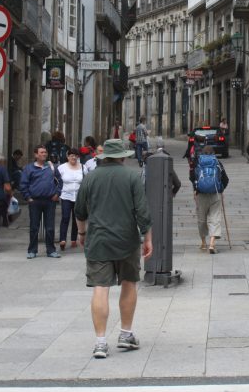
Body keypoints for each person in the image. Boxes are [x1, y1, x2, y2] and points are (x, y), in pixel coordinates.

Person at [74, 139, 153, 359]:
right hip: (126, 240)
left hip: (98, 240)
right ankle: (125, 334)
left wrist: (82, 234)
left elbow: (79, 211)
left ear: (103, 156)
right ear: (123, 157)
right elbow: (142, 212)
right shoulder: (131, 177)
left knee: (100, 287)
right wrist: (148, 238)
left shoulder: (90, 178)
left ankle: (100, 342)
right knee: (129, 283)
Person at [20, 144, 63, 259]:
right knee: (34, 227)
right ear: (36, 154)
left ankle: (51, 250)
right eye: (41, 152)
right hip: (35, 201)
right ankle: (32, 250)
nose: (44, 154)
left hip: (50, 201)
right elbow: (23, 184)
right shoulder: (29, 168)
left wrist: (57, 194)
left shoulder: (51, 167)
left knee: (50, 227)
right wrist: (28, 197)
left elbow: (60, 181)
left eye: (45, 152)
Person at [193, 146, 229, 253]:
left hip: (201, 194)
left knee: (201, 219)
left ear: (203, 153)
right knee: (215, 217)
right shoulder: (217, 163)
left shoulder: (198, 162)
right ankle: (212, 244)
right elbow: (225, 179)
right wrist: (221, 189)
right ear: (213, 153)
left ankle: (204, 243)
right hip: (215, 194)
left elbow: (193, 177)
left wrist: (195, 189)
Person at [58, 148, 85, 251]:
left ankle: (73, 239)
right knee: (65, 217)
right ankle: (62, 239)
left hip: (78, 197)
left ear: (78, 157)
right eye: (71, 155)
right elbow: (56, 180)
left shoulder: (83, 167)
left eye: (75, 155)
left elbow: (86, 181)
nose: (73, 157)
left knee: (76, 219)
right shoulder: (62, 168)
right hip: (66, 196)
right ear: (67, 157)